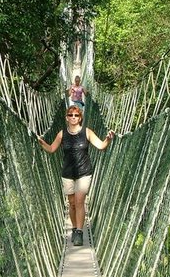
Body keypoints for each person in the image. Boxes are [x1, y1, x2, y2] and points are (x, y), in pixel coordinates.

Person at [37, 105, 115, 246]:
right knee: (72, 204)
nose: (73, 117)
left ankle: (79, 232)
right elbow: (51, 149)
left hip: (84, 172)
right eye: (71, 115)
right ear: (67, 118)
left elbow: (101, 146)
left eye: (76, 115)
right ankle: (74, 228)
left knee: (79, 201)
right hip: (67, 174)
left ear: (80, 118)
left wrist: (108, 139)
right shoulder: (62, 134)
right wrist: (42, 143)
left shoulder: (87, 132)